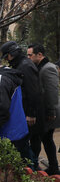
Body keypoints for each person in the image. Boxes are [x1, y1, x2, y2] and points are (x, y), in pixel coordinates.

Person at [0, 53, 34, 167]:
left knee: (9, 167)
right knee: (26, 163)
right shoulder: (10, 74)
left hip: (7, 132)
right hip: (19, 128)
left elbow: (1, 108)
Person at [0, 41, 44, 166]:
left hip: (29, 114)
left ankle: (34, 171)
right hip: (24, 111)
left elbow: (33, 92)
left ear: (12, 54)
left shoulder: (25, 66)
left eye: (7, 56)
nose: (7, 60)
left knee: (26, 145)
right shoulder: (21, 65)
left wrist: (31, 113)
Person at [27, 44, 59, 175]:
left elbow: (52, 92)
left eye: (30, 55)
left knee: (41, 139)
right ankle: (53, 167)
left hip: (48, 112)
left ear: (39, 55)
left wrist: (51, 111)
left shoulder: (48, 68)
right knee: (46, 139)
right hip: (44, 111)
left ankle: (47, 167)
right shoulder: (40, 67)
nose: (28, 57)